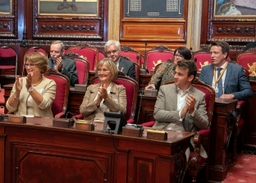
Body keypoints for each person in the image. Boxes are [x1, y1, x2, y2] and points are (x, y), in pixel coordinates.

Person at [152, 59, 209, 159]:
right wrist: (180, 114)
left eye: (180, 74)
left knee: (178, 157)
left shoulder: (199, 96)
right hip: (162, 133)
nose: (175, 77)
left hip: (183, 138)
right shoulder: (165, 90)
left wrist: (192, 111)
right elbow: (157, 114)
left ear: (190, 77)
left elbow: (204, 124)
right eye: (175, 73)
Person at [6, 52, 56, 118]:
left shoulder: (50, 83)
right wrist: (17, 92)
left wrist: (30, 88)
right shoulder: (20, 81)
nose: (28, 67)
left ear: (41, 67)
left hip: (41, 123)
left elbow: (44, 105)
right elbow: (10, 108)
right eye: (27, 64)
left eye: (32, 64)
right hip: (20, 122)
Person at [79, 58, 127, 122]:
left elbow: (122, 111)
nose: (101, 73)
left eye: (104, 70)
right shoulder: (91, 88)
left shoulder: (120, 89)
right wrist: (96, 102)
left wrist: (107, 98)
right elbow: (82, 111)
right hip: (91, 123)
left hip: (110, 125)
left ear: (112, 72)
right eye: (99, 70)